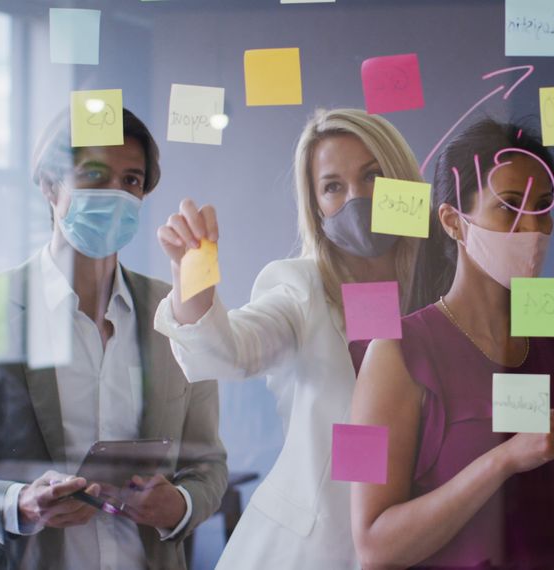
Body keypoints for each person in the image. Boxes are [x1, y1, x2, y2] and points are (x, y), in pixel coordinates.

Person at [0, 108, 228, 569]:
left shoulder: (176, 312)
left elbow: (208, 463)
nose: (116, 194)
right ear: (49, 185)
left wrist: (181, 505)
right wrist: (16, 501)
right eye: (94, 175)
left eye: (131, 181)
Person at [350, 119, 554, 569]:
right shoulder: (394, 351)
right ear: (453, 221)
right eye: (510, 206)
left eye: (544, 206)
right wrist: (507, 458)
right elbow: (372, 547)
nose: (533, 225)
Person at [153, 108, 423, 568]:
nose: (357, 198)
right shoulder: (301, 287)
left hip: (416, 544)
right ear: (316, 206)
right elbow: (230, 352)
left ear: (404, 182)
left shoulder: (436, 294)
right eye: (333, 186)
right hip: (307, 550)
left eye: (373, 176)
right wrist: (191, 280)